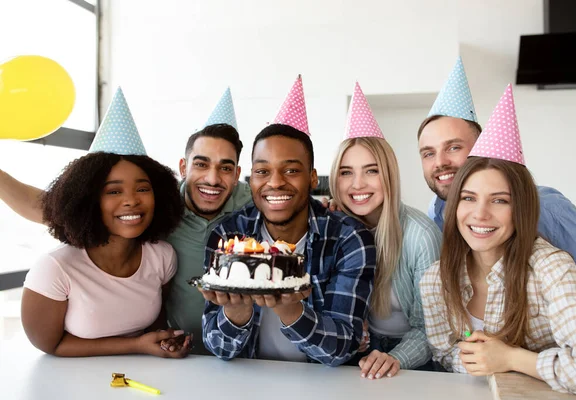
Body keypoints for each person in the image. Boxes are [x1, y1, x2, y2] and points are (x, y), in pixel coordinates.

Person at [0, 88, 252, 354]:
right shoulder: (162, 209)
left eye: (225, 168)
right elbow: (46, 207)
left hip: (238, 353)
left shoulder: (252, 207)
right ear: (183, 167)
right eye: (201, 164)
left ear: (237, 173)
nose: (212, 179)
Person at [420, 86, 576, 399]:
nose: (481, 214)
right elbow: (446, 353)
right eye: (468, 198)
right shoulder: (436, 279)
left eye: (500, 200)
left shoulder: (551, 267)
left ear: (521, 207)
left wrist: (510, 358)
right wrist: (477, 356)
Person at [200, 76, 376, 366]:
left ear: (312, 177)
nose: (275, 183)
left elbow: (344, 346)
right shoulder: (228, 236)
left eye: (291, 170)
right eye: (262, 171)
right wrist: (236, 313)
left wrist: (291, 309)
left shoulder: (349, 239)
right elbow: (218, 348)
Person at [21, 88, 190, 357]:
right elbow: (49, 344)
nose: (131, 201)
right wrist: (135, 346)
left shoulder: (162, 256)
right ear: (88, 201)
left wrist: (164, 342)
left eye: (143, 189)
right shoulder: (55, 268)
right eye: (113, 191)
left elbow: (154, 326)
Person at [418, 57, 576, 301]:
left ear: (481, 150)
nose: (440, 162)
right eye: (428, 153)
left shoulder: (546, 207)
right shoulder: (436, 213)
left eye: (453, 148)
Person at [328, 83, 441, 378]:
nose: (358, 185)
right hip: (357, 354)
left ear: (388, 174)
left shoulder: (421, 235)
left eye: (371, 170)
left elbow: (431, 328)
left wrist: (396, 357)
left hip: (413, 357)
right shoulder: (334, 230)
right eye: (346, 172)